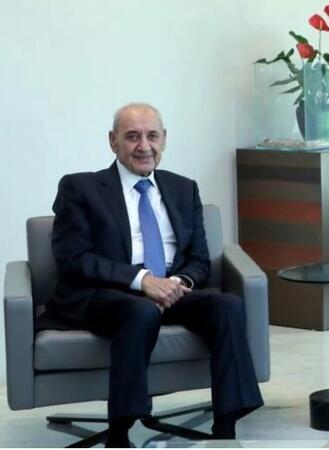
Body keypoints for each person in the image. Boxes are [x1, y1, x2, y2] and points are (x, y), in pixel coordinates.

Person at [48, 103, 264, 447]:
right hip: (107, 295)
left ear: (164, 139)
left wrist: (173, 285)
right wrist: (143, 281)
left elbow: (199, 259)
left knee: (228, 306)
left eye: (152, 136)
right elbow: (74, 258)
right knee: (141, 310)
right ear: (113, 141)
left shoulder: (183, 189)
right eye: (132, 137)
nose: (144, 146)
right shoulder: (81, 188)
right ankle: (120, 432)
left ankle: (225, 429)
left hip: (170, 291)